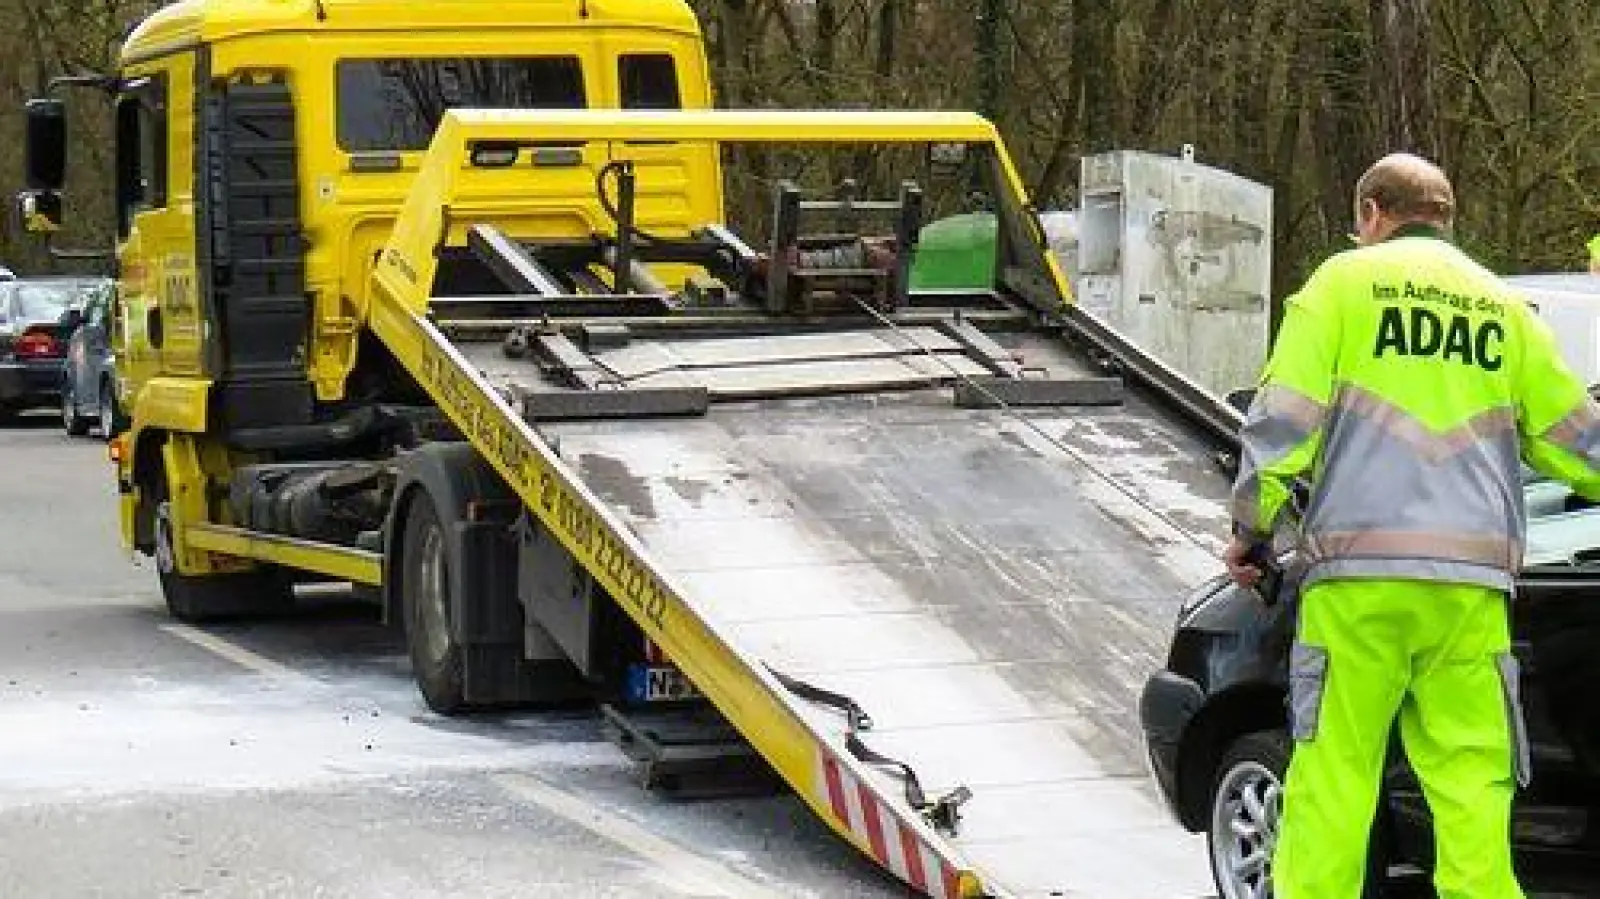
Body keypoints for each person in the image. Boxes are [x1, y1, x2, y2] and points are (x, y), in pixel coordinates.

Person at [1225, 153, 1600, 899]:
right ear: (1446, 219)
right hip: (1470, 595)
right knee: (1473, 790)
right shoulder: (1503, 309)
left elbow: (1284, 423)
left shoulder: (1339, 286)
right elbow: (1578, 442)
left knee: (1335, 778)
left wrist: (1252, 529)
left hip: (1357, 585)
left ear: (1372, 214)